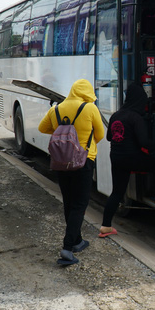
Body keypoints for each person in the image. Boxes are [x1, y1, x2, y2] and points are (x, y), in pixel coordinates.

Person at [38, 79, 104, 266]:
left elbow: (43, 128)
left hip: (61, 162)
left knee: (69, 202)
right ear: (88, 92)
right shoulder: (90, 108)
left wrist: (62, 130)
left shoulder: (56, 109)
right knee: (80, 204)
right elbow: (100, 135)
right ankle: (67, 248)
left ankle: (77, 240)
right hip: (84, 161)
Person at [99, 83, 155, 238]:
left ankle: (105, 226)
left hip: (116, 158)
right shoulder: (135, 118)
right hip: (132, 157)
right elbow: (144, 142)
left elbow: (110, 137)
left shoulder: (116, 115)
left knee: (117, 193)